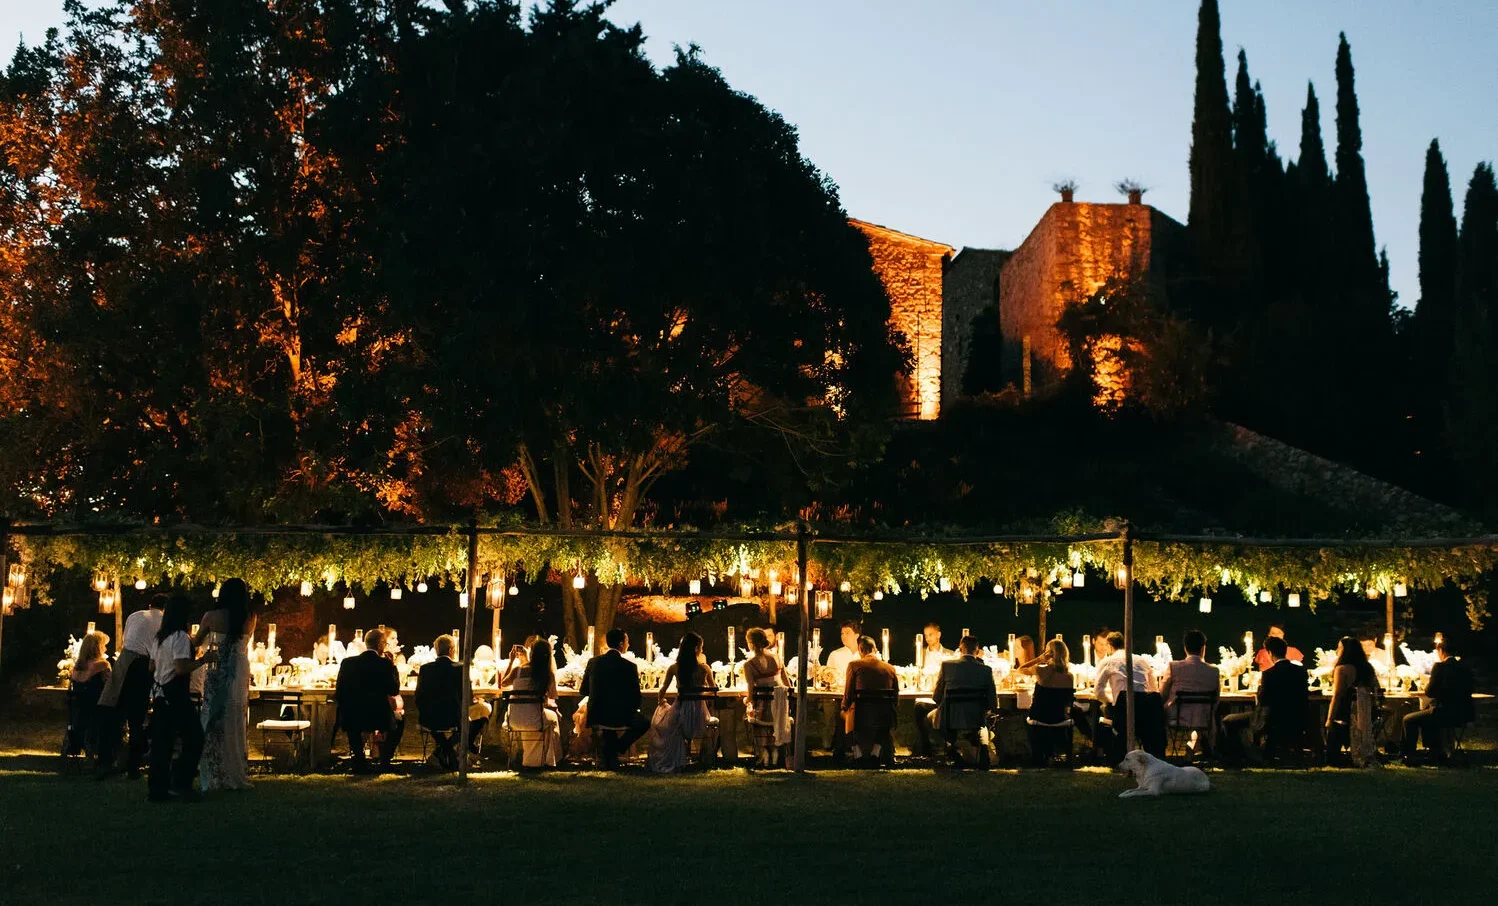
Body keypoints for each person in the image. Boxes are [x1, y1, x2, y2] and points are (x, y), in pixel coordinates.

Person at [196, 578, 256, 792]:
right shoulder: (250, 617)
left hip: (217, 667)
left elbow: (196, 642)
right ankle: (235, 770)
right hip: (239, 668)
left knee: (213, 716)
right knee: (235, 718)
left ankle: (214, 773)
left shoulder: (211, 616)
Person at [96, 595, 165, 778]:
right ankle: (133, 766)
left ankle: (105, 761)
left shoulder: (135, 615)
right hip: (145, 666)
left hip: (126, 661)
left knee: (111, 711)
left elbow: (127, 640)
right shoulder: (165, 622)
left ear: (150, 605)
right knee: (137, 718)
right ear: (165, 608)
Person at [148, 596, 207, 802]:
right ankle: (180, 783)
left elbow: (151, 666)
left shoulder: (159, 637)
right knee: (194, 738)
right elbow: (181, 668)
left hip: (159, 693)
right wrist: (202, 660)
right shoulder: (181, 637)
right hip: (175, 693)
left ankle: (157, 788)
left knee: (162, 743)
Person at [1223, 635, 1310, 762]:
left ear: (1269, 652)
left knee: (1228, 720)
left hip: (1271, 720)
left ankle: (1237, 757)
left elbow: (1263, 701)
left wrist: (1258, 691)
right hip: (1297, 718)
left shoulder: (1269, 674)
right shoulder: (1301, 671)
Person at [415, 635, 489, 771]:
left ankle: (442, 751)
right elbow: (467, 697)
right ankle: (450, 750)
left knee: (440, 726)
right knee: (482, 715)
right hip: (453, 718)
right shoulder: (459, 668)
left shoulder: (425, 669)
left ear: (436, 650)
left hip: (428, 718)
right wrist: (476, 700)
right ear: (451, 650)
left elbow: (418, 695)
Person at [578, 628, 650, 769]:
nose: (629, 644)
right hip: (620, 715)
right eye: (627, 641)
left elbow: (583, 690)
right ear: (621, 644)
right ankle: (617, 747)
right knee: (644, 723)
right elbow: (636, 697)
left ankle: (610, 752)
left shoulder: (593, 662)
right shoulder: (630, 667)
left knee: (608, 727)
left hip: (597, 714)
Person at [336, 628, 405, 772]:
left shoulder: (348, 663)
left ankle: (359, 758)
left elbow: (340, 691)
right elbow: (393, 690)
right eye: (385, 644)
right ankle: (385, 760)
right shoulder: (385, 664)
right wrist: (393, 668)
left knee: (353, 726)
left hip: (353, 715)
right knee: (400, 719)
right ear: (380, 644)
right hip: (378, 716)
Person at [649, 631, 718, 773]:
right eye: (701, 647)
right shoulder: (704, 668)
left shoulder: (674, 667)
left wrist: (660, 701)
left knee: (665, 720)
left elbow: (662, 689)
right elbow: (714, 689)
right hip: (700, 715)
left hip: (679, 713)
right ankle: (705, 756)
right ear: (697, 648)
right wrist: (700, 693)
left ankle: (679, 756)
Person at [1401, 636, 1475, 763]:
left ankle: (1410, 755)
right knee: (1427, 712)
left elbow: (1429, 692)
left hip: (1444, 713)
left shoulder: (1440, 667)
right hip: (1465, 713)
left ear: (1441, 651)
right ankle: (1435, 751)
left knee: (1408, 719)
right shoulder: (1465, 667)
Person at [1093, 630, 1165, 761]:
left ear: (1109, 646)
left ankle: (1104, 753)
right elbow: (1153, 688)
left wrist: (1110, 701)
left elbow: (1098, 691)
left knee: (1102, 710)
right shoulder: (1141, 660)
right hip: (1146, 715)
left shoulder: (1108, 661)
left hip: (1123, 714)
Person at [928, 635, 996, 767]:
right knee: (982, 723)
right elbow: (993, 700)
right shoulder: (986, 670)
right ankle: (983, 748)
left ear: (960, 648)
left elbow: (936, 697)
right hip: (976, 717)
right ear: (977, 651)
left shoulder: (947, 666)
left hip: (950, 717)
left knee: (929, 718)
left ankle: (953, 750)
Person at [1160, 629, 1221, 751]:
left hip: (1176, 718)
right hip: (1204, 719)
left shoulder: (1174, 667)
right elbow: (1216, 700)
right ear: (1203, 648)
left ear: (1185, 648)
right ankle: (1200, 746)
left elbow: (1162, 694)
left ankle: (1158, 751)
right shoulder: (1214, 671)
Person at [842, 636, 899, 765]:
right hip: (884, 716)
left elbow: (848, 694)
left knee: (842, 714)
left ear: (861, 650)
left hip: (860, 715)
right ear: (875, 649)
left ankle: (857, 753)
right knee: (884, 717)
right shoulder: (890, 668)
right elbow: (895, 696)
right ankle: (875, 752)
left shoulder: (854, 665)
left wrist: (844, 707)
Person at [1325, 635, 1381, 766]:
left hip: (1346, 710)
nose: (1337, 651)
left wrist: (1329, 718)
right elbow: (1375, 688)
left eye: (1339, 648)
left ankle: (1334, 756)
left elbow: (1338, 695)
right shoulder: (1367, 667)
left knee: (1333, 730)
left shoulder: (1342, 669)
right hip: (1366, 710)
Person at [506, 638, 561, 768]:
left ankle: (535, 760)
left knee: (548, 717)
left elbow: (502, 683)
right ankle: (551, 761)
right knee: (554, 718)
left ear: (532, 654)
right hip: (536, 720)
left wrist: (511, 662)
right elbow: (552, 697)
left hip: (514, 719)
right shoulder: (547, 674)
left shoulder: (518, 670)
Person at [741, 627, 791, 767]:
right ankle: (775, 749)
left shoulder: (749, 664)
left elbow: (751, 693)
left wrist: (746, 700)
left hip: (762, 712)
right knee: (768, 714)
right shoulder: (777, 658)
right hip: (781, 710)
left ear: (751, 644)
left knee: (749, 712)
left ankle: (763, 751)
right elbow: (787, 683)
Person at [1024, 639, 1076, 765]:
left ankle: (1037, 753)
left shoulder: (1040, 671)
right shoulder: (1069, 676)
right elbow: (1068, 702)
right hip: (1059, 718)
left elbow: (1020, 669)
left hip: (1038, 717)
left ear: (1048, 653)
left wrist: (1038, 659)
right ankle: (1055, 751)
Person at [65, 631, 111, 761]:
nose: (106, 648)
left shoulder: (78, 666)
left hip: (79, 711)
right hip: (97, 709)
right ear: (97, 647)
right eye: (104, 645)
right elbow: (109, 686)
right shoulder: (102, 665)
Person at [913, 622, 955, 757]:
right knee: (919, 707)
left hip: (943, 694)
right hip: (925, 693)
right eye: (926, 635)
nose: (928, 638)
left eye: (931, 634)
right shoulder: (921, 655)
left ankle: (943, 743)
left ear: (939, 635)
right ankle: (926, 745)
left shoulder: (950, 654)